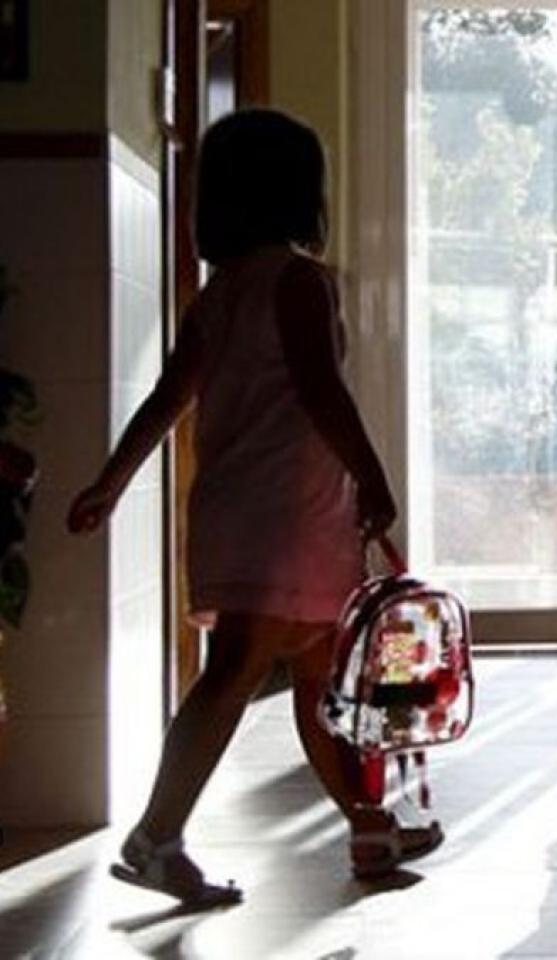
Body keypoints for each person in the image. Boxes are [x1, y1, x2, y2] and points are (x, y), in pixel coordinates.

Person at [66, 110, 436, 906]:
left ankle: (368, 824)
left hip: (249, 511)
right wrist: (371, 476)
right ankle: (157, 836)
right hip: (287, 514)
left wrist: (111, 480)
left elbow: (171, 396)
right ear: (303, 192)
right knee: (239, 674)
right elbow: (318, 387)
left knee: (313, 677)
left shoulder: (223, 291)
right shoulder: (298, 279)